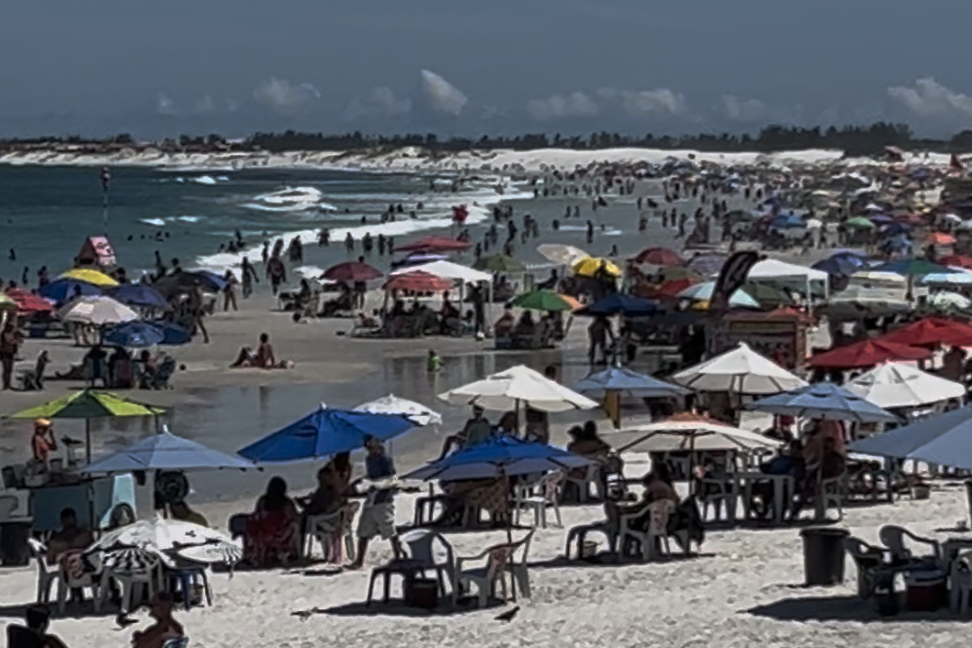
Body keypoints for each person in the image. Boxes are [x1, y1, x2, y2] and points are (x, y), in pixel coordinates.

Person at [348, 437, 403, 569]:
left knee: (389, 529)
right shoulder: (369, 460)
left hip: (383, 499)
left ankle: (399, 556)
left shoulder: (385, 459)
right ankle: (359, 561)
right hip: (371, 498)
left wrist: (377, 485)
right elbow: (371, 476)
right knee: (363, 531)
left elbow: (392, 479)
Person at [242, 477, 300, 567]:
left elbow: (257, 514)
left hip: (264, 534)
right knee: (294, 526)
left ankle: (256, 555)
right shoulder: (286, 502)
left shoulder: (263, 501)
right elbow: (293, 516)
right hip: (280, 534)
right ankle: (290, 553)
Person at [47, 508, 94, 583]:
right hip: (69, 569)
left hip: (84, 566)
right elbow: (50, 560)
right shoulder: (57, 540)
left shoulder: (84, 534)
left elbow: (91, 549)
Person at [1, 320, 23, 390]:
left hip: (11, 353)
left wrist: (18, 335)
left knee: (9, 370)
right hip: (5, 353)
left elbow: (20, 339)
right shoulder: (5, 334)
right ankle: (5, 384)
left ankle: (8, 384)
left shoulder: (13, 334)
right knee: (6, 369)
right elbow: (10, 341)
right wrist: (16, 340)